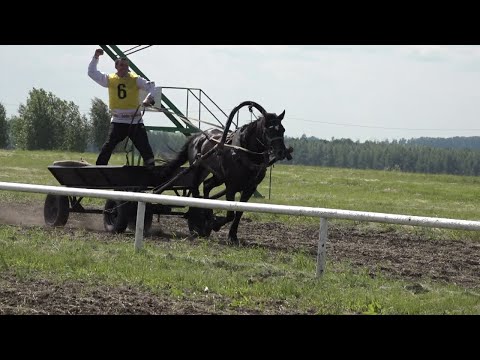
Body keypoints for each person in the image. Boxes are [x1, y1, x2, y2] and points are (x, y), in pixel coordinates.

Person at [88, 48, 157, 168]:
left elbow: (153, 87)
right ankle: (99, 170)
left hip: (134, 121)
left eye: (126, 65)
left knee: (145, 148)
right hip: (118, 121)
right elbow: (91, 72)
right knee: (108, 146)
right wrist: (96, 57)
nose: (124, 68)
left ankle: (152, 173)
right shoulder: (110, 79)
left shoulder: (135, 79)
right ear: (116, 67)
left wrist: (148, 99)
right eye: (122, 65)